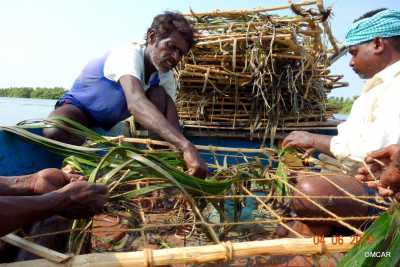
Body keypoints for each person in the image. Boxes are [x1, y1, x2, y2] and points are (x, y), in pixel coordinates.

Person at [44, 11, 207, 178]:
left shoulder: (165, 76)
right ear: (152, 37)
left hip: (110, 123)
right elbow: (136, 103)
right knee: (53, 129)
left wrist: (180, 155)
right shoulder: (127, 54)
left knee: (159, 94)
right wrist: (186, 146)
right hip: (80, 112)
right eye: (172, 47)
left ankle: (158, 163)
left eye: (181, 53)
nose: (175, 57)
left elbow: (170, 121)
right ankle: (93, 156)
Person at [281, 8, 400, 234]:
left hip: (388, 192)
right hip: (369, 181)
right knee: (301, 181)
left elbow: (369, 154)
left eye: (354, 53)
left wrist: (312, 140)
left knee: (311, 191)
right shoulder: (376, 87)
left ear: (377, 44)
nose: (351, 63)